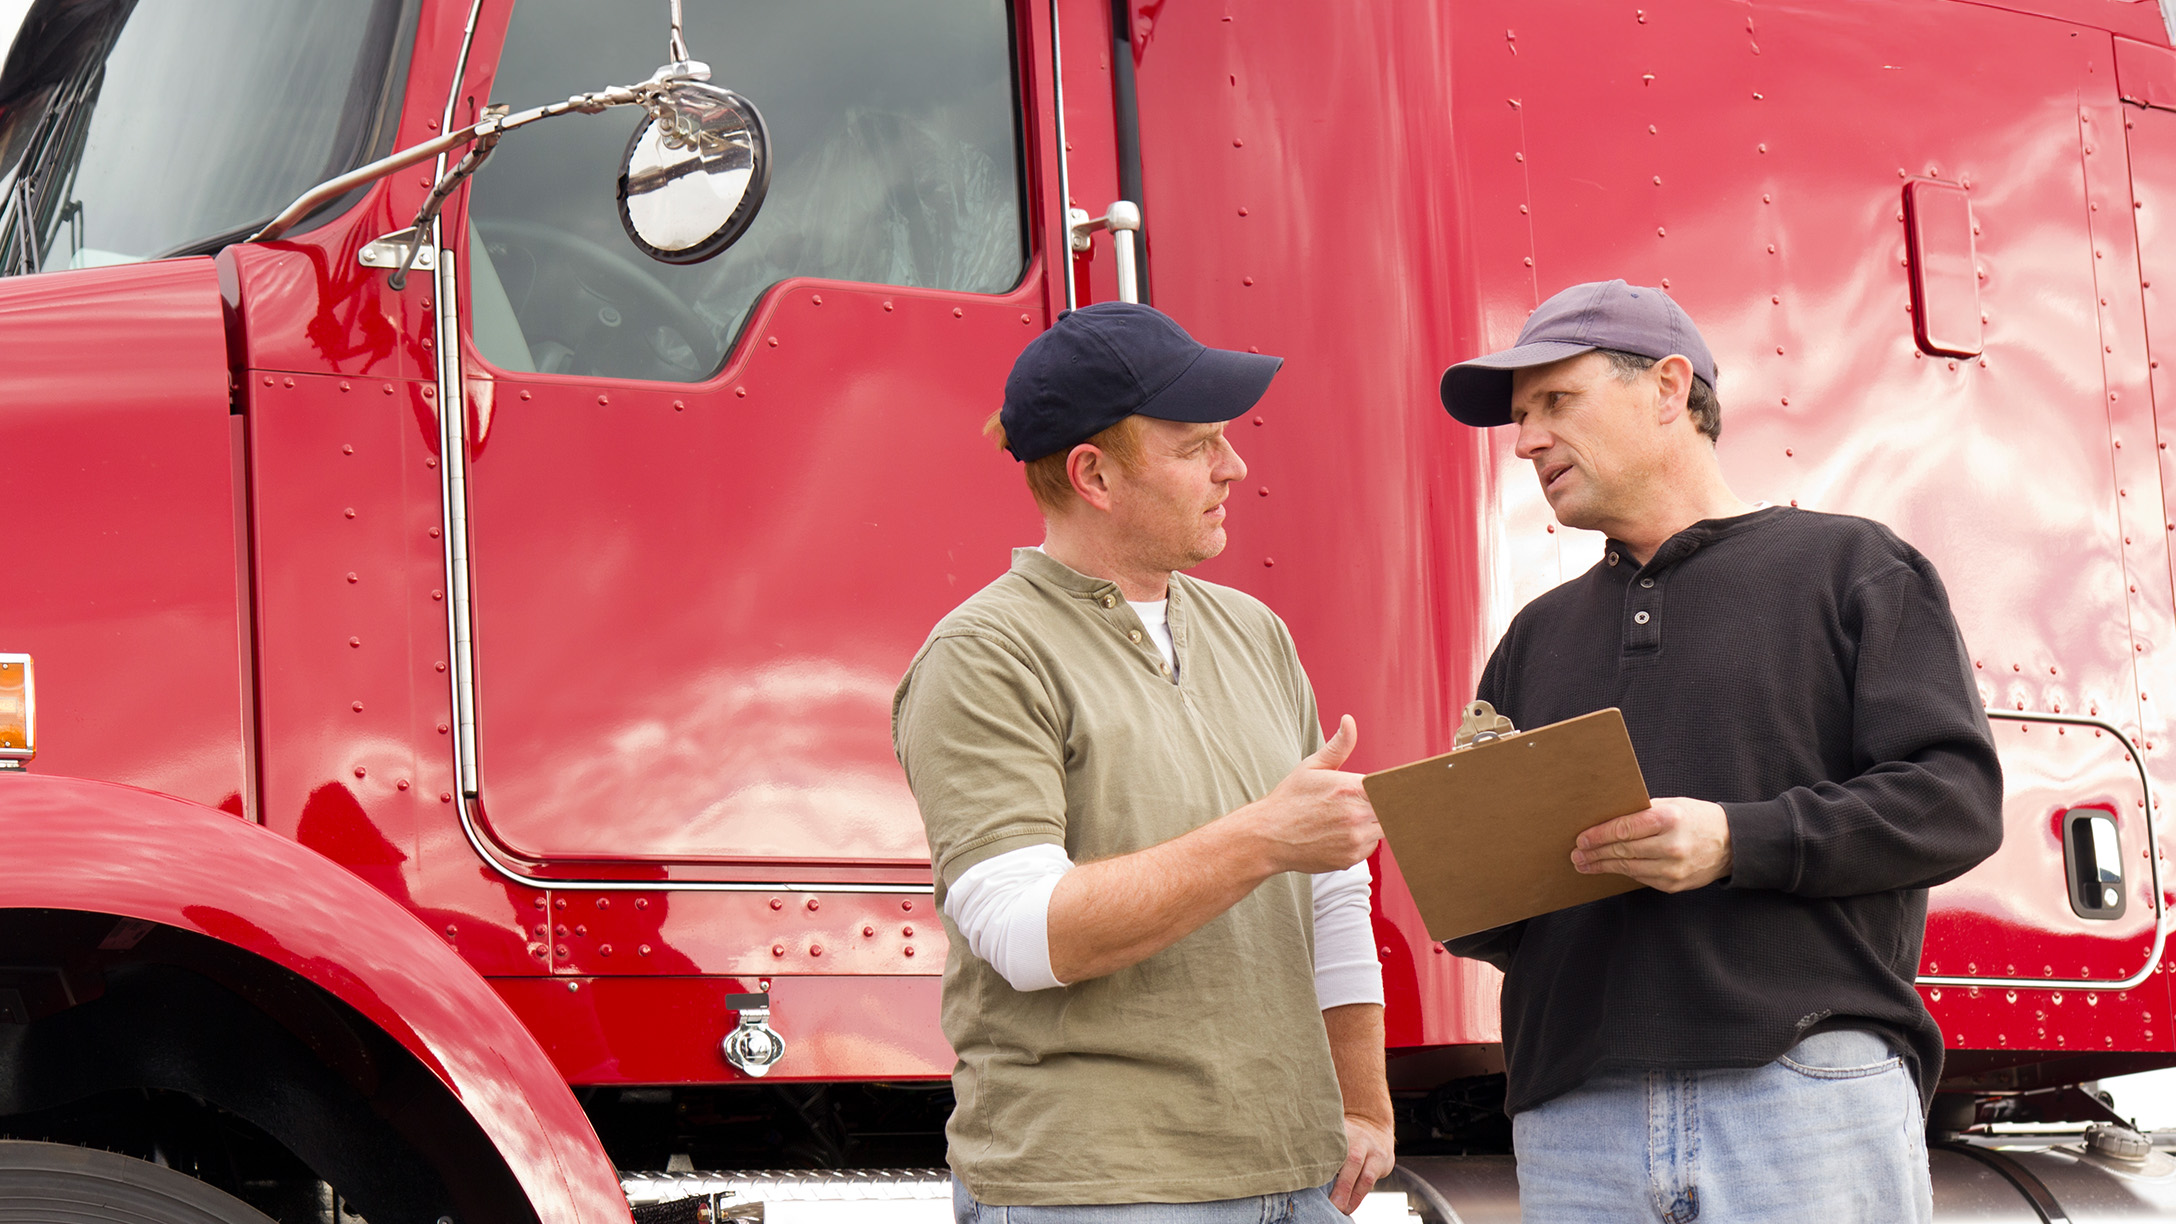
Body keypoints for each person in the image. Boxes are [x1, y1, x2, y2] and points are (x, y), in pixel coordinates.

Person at [1436, 279, 2004, 1222]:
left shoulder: (1853, 569)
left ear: (1668, 389)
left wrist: (1738, 841)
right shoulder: (1534, 638)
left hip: (1803, 1092)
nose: (1526, 437)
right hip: (1573, 1115)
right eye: (1521, 416)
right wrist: (1459, 865)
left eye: (1555, 401)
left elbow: (1953, 801)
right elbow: (1494, 923)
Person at [892, 302, 1394, 1221]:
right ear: (1093, 474)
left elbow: (1331, 892)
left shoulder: (1256, 633)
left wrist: (1360, 1102)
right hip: (1100, 1188)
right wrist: (1265, 838)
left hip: (1296, 1175)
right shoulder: (984, 653)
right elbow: (1028, 936)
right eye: (1197, 444)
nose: (1233, 466)